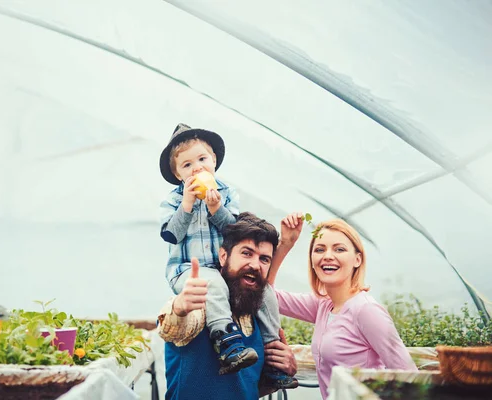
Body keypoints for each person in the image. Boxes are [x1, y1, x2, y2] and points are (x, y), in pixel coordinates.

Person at [158, 123, 295, 387]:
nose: (196, 168)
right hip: (188, 271)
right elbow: (171, 235)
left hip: (218, 273)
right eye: (187, 166)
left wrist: (215, 208)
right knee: (212, 282)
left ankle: (272, 353)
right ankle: (226, 341)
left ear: (214, 161)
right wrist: (187, 205)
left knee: (266, 292)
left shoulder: (226, 194)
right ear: (178, 176)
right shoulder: (174, 200)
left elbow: (233, 232)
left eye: (202, 159)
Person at [268, 213, 418, 399]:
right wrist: (285, 244)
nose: (328, 256)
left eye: (339, 249)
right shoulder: (323, 305)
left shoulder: (366, 311)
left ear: (357, 260)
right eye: (320, 249)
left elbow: (409, 376)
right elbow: (266, 295)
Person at [157, 212, 298, 400]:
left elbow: (248, 388)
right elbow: (170, 328)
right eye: (246, 253)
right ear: (223, 256)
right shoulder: (200, 304)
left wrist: (283, 367)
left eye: (264, 259)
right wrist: (180, 307)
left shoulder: (260, 316)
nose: (255, 265)